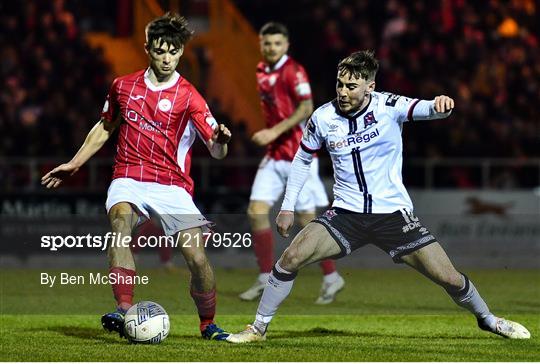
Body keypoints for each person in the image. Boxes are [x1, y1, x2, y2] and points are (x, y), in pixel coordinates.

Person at [226, 50, 531, 342]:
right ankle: (258, 328)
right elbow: (303, 160)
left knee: (449, 277)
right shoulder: (322, 117)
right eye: (339, 84)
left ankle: (489, 320)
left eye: (351, 86)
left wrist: (442, 105)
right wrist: (288, 206)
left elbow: (425, 109)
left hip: (393, 217)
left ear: (370, 86)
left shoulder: (388, 106)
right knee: (291, 256)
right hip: (345, 216)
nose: (343, 92)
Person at [42, 12, 232, 341]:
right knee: (120, 224)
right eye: (160, 50)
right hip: (128, 175)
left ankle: (208, 324)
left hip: (172, 184)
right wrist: (75, 163)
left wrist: (222, 142)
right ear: (148, 48)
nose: (167, 58)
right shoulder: (123, 87)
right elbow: (105, 127)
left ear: (182, 51)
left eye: (174, 51)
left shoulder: (190, 97)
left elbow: (216, 149)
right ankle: (124, 307)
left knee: (197, 259)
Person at [240, 22, 345, 304]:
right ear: (261, 45)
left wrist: (273, 131)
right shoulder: (262, 71)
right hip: (274, 155)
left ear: (286, 45)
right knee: (256, 211)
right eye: (267, 43)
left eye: (277, 43)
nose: (271, 48)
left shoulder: (294, 70)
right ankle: (264, 276)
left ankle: (332, 277)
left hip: (299, 156)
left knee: (307, 222)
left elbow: (306, 108)